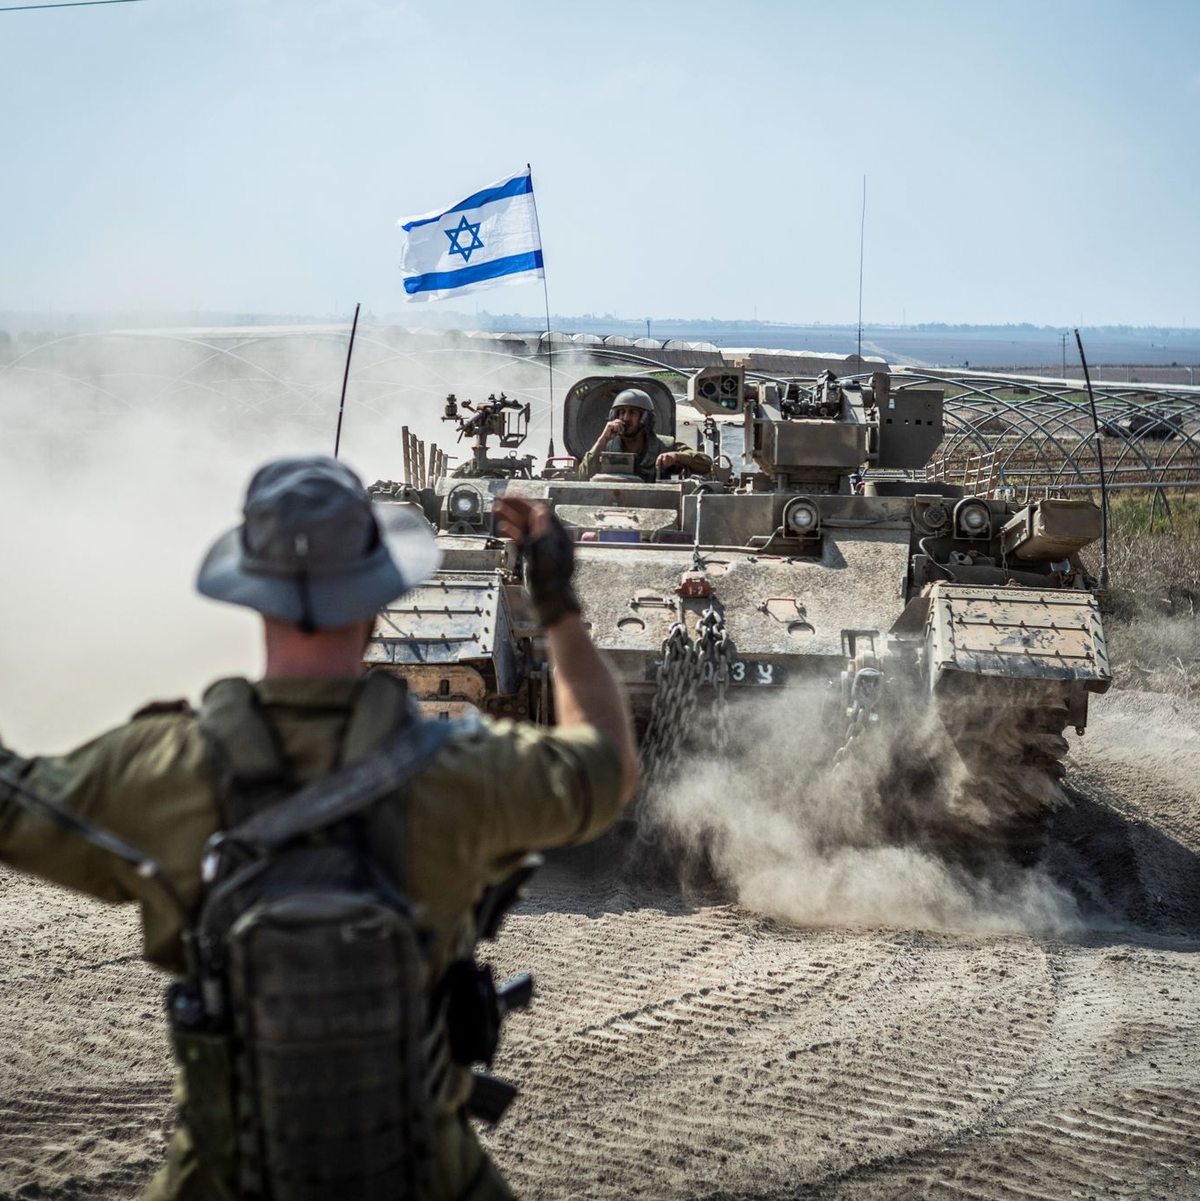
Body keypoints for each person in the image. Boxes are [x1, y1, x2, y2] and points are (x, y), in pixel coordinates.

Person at [0, 455, 637, 1201]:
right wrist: (557, 605)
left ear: (253, 593)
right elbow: (606, 766)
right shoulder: (462, 769)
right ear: (378, 601)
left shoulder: (165, 767)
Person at [576, 387, 712, 481]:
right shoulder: (605, 447)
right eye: (621, 412)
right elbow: (582, 476)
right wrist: (602, 440)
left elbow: (705, 463)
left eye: (632, 412)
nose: (625, 418)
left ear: (646, 418)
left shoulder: (664, 445)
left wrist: (677, 456)